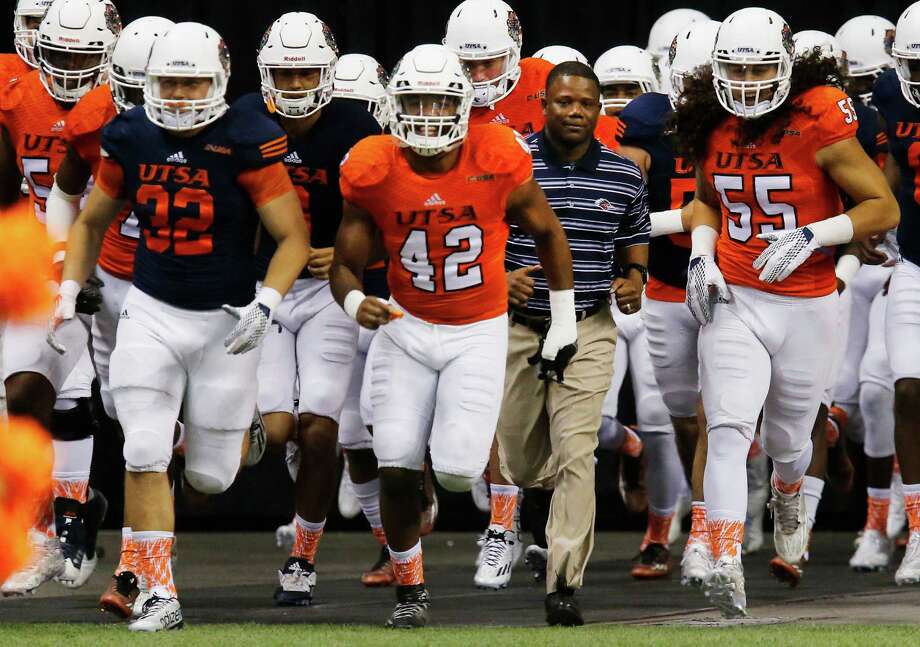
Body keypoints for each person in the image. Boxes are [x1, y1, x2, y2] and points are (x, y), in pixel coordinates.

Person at [48, 22, 310, 631]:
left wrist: (267, 303)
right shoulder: (131, 134)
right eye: (169, 81)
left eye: (193, 83)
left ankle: (240, 428)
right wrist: (67, 285)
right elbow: (90, 221)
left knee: (211, 477)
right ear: (148, 82)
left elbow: (292, 237)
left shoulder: (246, 137)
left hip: (225, 321)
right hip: (153, 308)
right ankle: (160, 592)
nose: (181, 96)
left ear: (218, 81)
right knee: (142, 445)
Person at [332, 43, 576, 628]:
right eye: (414, 101)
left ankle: (436, 485)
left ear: (463, 105)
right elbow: (345, 262)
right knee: (393, 462)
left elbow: (547, 233)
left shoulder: (497, 155)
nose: (426, 114)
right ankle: (411, 591)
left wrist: (563, 319)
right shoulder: (374, 166)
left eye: (439, 101)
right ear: (393, 105)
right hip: (405, 325)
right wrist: (354, 300)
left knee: (458, 471)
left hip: (477, 331)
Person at [676, 7, 898, 617]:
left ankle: (789, 488)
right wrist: (701, 254)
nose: (746, 83)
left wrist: (815, 235)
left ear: (786, 67)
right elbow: (702, 204)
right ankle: (725, 561)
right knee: (726, 428)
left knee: (788, 440)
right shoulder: (710, 119)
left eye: (760, 68)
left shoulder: (818, 117)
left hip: (806, 302)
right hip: (736, 296)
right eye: (735, 68)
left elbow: (883, 208)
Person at [493, 61, 648, 624]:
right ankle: (538, 497)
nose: (575, 111)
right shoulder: (511, 164)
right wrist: (497, 277)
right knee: (519, 456)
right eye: (564, 102)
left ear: (600, 109)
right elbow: (480, 231)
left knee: (577, 451)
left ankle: (562, 584)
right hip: (518, 326)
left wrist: (635, 280)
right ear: (544, 105)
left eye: (586, 103)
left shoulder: (625, 175)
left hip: (588, 324)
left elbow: (634, 241)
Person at [242, 12, 382, 607]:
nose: (295, 84)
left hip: (328, 291)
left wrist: (347, 256)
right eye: (284, 72)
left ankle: (302, 560)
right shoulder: (244, 119)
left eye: (305, 72)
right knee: (278, 431)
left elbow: (386, 212)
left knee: (321, 429)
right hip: (268, 287)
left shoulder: (356, 126)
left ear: (327, 72)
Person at [0, 0, 120, 597]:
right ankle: (59, 525)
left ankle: (127, 549)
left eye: (84, 56)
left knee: (145, 422)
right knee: (29, 392)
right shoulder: (14, 91)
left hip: (128, 268)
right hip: (42, 261)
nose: (70, 70)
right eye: (58, 55)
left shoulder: (131, 99)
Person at [615, 18, 721, 585]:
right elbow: (624, 197)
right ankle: (704, 513)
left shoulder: (743, 123)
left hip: (730, 286)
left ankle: (706, 529)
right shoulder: (648, 122)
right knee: (681, 419)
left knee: (713, 418)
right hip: (663, 287)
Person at [873, 1, 920, 585]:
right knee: (906, 390)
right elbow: (891, 172)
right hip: (914, 262)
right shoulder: (893, 94)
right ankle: (918, 530)